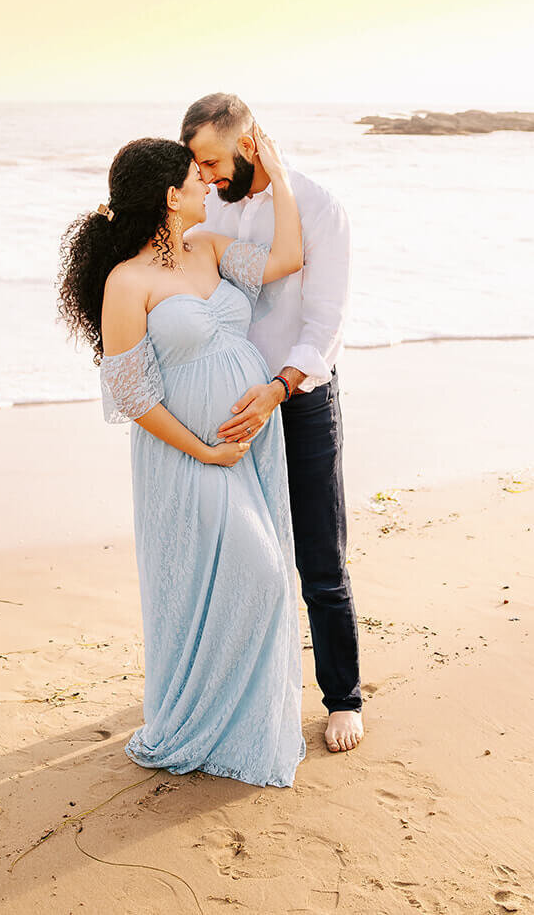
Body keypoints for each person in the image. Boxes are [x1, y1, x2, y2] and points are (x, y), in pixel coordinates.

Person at [56, 134, 307, 787]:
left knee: (254, 576)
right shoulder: (127, 281)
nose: (208, 187)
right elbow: (132, 397)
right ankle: (196, 718)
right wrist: (206, 450)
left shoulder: (213, 250)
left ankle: (235, 723)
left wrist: (277, 173)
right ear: (171, 196)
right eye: (198, 178)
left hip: (247, 446)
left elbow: (288, 257)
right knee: (254, 576)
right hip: (186, 454)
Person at [181, 94, 364, 755]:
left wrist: (277, 387)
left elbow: (326, 325)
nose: (204, 175)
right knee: (245, 558)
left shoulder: (319, 207)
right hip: (229, 403)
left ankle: (342, 696)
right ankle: (253, 689)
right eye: (196, 164)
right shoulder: (208, 205)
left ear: (250, 143)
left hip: (300, 395)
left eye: (212, 160)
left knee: (319, 559)